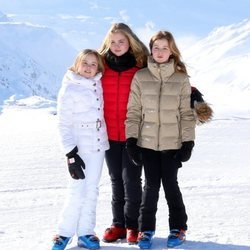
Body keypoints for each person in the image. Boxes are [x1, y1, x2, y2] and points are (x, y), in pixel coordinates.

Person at [125, 30, 196, 249]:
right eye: (156, 47)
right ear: (151, 50)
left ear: (171, 50)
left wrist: (188, 142)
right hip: (146, 143)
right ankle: (145, 230)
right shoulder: (141, 77)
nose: (160, 52)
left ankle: (178, 228)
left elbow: (186, 114)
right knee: (150, 187)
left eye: (165, 47)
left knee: (171, 186)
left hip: (172, 144)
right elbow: (134, 111)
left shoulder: (181, 78)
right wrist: (131, 140)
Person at [51, 49, 109, 250]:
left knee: (92, 188)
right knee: (77, 189)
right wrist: (70, 153)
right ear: (77, 63)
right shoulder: (69, 88)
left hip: (98, 143)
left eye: (94, 64)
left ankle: (86, 232)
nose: (89, 67)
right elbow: (63, 124)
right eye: (85, 62)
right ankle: (64, 233)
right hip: (79, 146)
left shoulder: (99, 84)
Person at [98, 23, 149, 244]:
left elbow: (167, 81)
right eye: (113, 42)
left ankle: (132, 226)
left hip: (133, 135)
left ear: (131, 42)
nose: (117, 46)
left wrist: (193, 94)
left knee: (132, 180)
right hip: (108, 134)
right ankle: (118, 224)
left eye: (122, 41)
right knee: (115, 179)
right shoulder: (101, 68)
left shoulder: (140, 68)